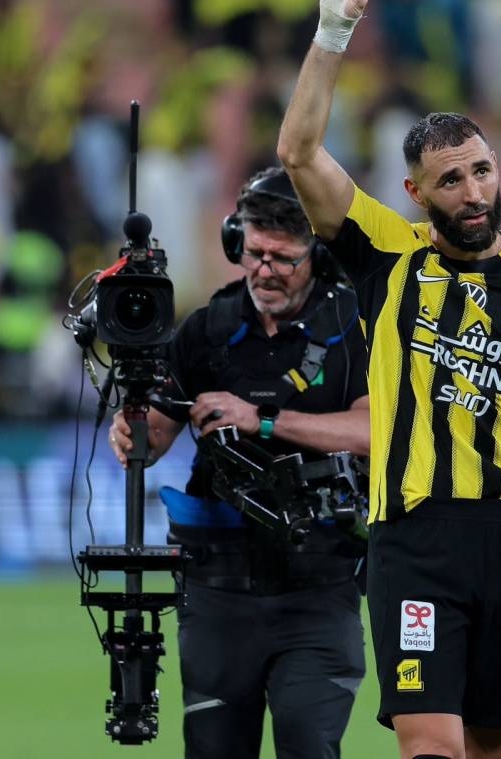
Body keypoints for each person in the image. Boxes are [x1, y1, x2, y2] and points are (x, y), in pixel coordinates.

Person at [276, 0, 501, 759]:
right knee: (432, 749)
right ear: (417, 193)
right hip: (414, 539)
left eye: (482, 170)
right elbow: (298, 152)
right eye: (450, 179)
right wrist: (334, 31)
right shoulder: (387, 254)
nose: (472, 190)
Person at [108, 167, 370, 759]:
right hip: (216, 586)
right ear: (235, 242)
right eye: (254, 253)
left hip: (320, 583)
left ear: (316, 254)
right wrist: (131, 425)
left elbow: (377, 432)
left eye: (283, 258)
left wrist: (264, 420)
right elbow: (152, 439)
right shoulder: (207, 329)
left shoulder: (355, 326)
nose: (265, 270)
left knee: (309, 744)